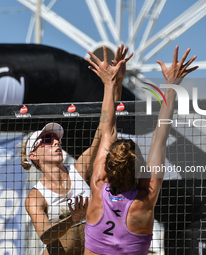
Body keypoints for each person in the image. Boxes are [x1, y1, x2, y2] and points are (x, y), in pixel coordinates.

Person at [84, 45, 198, 255]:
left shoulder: (98, 186)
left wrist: (110, 83)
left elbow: (107, 128)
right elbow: (160, 137)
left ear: (107, 169)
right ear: (140, 171)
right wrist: (171, 85)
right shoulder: (143, 203)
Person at [20, 44, 133, 255]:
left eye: (56, 139)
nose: (55, 142)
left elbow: (105, 127)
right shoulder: (36, 196)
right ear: (33, 155)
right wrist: (73, 219)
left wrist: (114, 83)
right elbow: (45, 235)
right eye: (47, 140)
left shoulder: (79, 170)